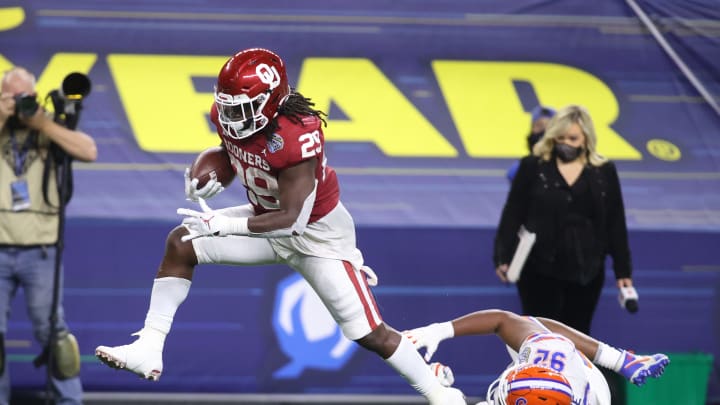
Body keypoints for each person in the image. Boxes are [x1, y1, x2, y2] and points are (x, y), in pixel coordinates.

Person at [94, 48, 465, 404]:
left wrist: (223, 222)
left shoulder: (297, 134)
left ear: (270, 101)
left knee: (369, 333)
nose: (231, 116)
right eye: (227, 107)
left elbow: (293, 218)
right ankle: (149, 346)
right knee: (182, 242)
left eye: (242, 108)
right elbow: (232, 151)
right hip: (265, 219)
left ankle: (439, 394)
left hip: (316, 234)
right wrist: (210, 175)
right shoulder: (231, 118)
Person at [0, 67, 97, 404]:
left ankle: (69, 401)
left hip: (41, 251)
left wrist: (43, 124)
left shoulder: (47, 128)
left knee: (54, 335)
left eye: (25, 97)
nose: (19, 104)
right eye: (11, 97)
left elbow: (89, 151)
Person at [494, 104, 633, 336]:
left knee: (577, 339)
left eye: (573, 138)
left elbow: (615, 223)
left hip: (586, 272)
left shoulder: (603, 172)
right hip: (538, 269)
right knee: (538, 337)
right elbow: (513, 212)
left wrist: (623, 271)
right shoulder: (532, 166)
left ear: (586, 138)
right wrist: (502, 255)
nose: (566, 144)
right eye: (560, 137)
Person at [403, 309, 670, 405]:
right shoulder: (550, 353)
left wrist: (437, 386)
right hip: (575, 371)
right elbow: (506, 321)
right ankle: (622, 360)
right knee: (534, 327)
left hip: (591, 393)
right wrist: (441, 330)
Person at [506, 105, 556, 182]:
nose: (544, 131)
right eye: (539, 125)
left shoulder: (569, 169)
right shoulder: (519, 169)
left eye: (549, 126)